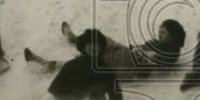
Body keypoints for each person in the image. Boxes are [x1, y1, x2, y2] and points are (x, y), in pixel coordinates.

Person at [25, 18, 187, 77]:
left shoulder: (172, 51)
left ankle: (48, 64)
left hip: (126, 66)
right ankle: (75, 40)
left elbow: (156, 61)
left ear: (172, 35)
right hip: (125, 54)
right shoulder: (158, 43)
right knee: (99, 39)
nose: (159, 34)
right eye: (159, 31)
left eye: (163, 32)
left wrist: (144, 55)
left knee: (87, 61)